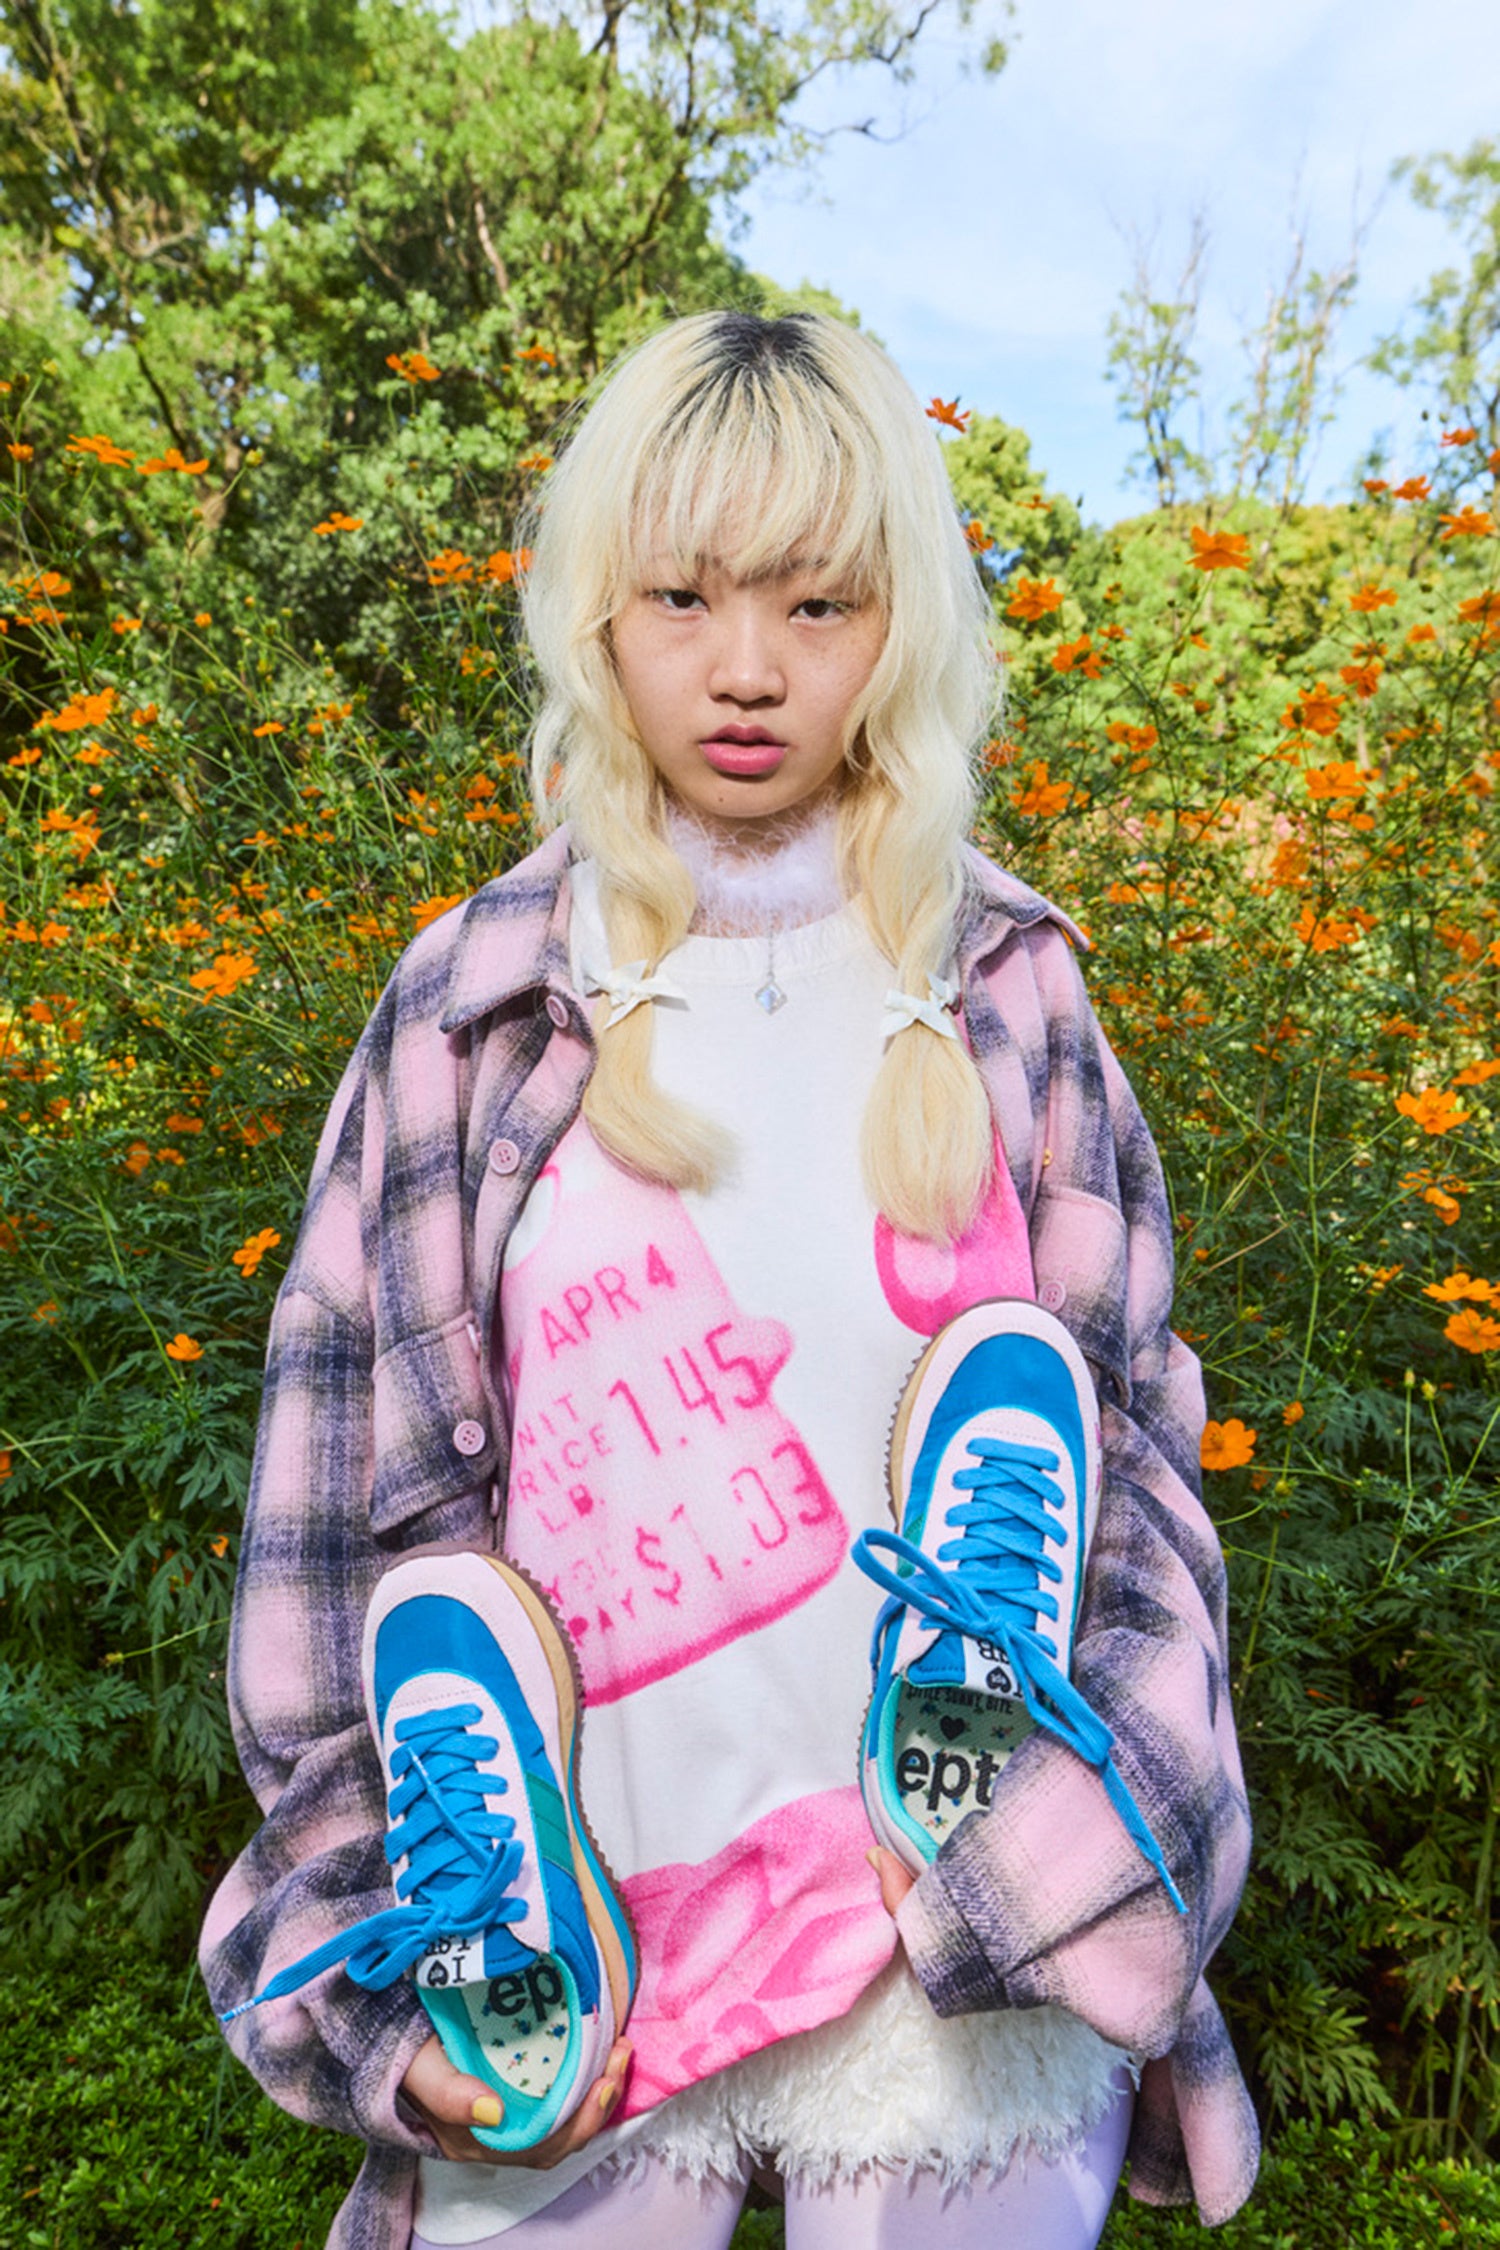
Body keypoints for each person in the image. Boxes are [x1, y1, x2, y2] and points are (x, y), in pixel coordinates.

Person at [201, 310, 1258, 2250]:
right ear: (597, 611)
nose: (750, 666)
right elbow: (335, 1530)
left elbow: (1134, 1503)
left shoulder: (1011, 988)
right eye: (683, 596)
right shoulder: (473, 1002)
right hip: (573, 1959)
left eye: (817, 602)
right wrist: (374, 1972)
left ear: (901, 621)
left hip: (950, 1963)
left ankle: (948, 1784)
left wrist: (1052, 1870)